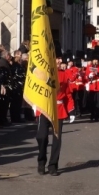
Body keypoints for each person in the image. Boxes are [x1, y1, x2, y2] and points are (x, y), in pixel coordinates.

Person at [36, 48, 75, 176]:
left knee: (57, 140)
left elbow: (67, 94)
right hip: (45, 109)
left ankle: (53, 165)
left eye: (59, 58)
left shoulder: (63, 74)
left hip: (59, 110)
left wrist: (71, 110)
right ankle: (41, 161)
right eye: (56, 58)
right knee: (41, 137)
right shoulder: (43, 72)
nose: (59, 61)